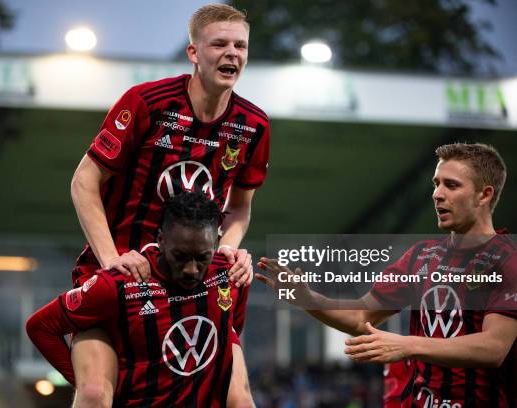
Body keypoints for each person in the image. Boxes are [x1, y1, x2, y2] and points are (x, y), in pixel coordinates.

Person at [69, 3, 269, 406]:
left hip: (193, 280)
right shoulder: (147, 102)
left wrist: (228, 245)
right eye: (219, 44)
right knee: (94, 392)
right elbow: (83, 182)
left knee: (239, 399)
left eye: (241, 46)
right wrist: (111, 260)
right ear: (193, 52)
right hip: (124, 276)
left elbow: (240, 207)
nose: (233, 53)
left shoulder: (254, 125)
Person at [257, 143, 517, 407]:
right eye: (436, 183)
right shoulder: (421, 257)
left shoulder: (509, 260)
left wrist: (408, 345)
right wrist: (307, 298)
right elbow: (361, 317)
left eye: (451, 185)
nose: (437, 194)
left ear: (484, 195)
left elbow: (493, 347)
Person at [27, 192, 250, 406]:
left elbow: (231, 330)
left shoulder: (230, 274)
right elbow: (41, 327)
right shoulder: (120, 283)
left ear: (216, 244)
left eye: (202, 257)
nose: (191, 269)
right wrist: (85, 384)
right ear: (161, 239)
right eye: (180, 256)